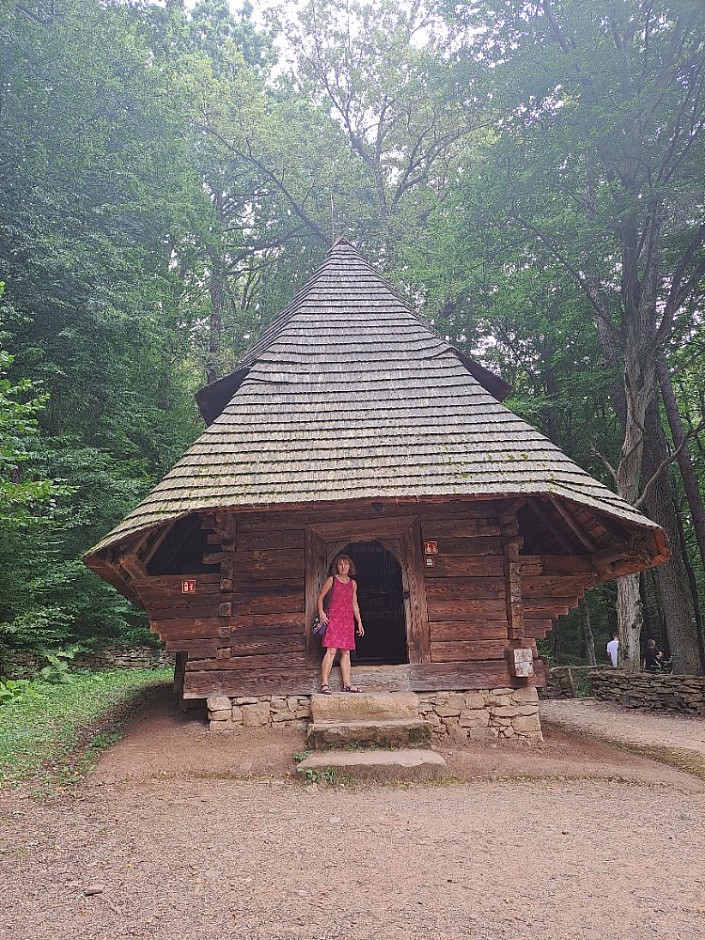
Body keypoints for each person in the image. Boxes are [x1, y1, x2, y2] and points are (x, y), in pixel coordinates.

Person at [317, 554, 365, 694]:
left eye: (346, 564)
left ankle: (347, 684)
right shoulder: (332, 580)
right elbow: (320, 596)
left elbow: (354, 604)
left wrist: (359, 622)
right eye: (340, 564)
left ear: (350, 566)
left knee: (346, 652)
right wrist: (321, 612)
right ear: (336, 567)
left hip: (347, 621)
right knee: (331, 651)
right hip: (333, 619)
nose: (343, 567)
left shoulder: (353, 583)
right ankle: (324, 684)